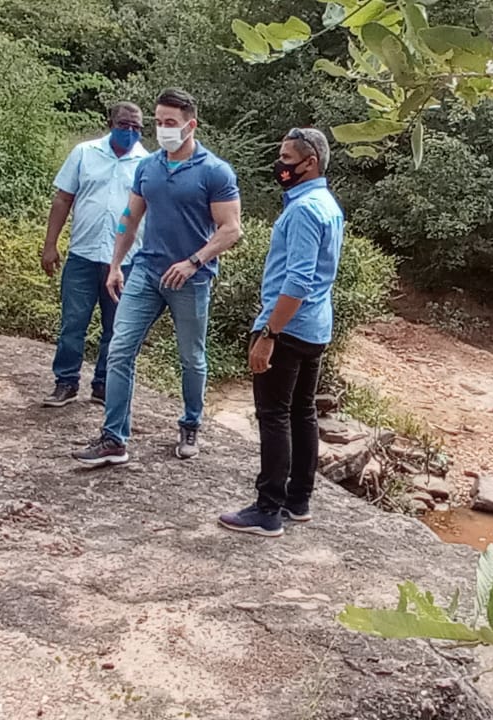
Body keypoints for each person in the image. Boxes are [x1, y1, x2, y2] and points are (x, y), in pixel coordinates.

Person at [72, 88, 242, 466]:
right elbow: (130, 218)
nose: (163, 130)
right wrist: (116, 265)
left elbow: (231, 229)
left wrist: (194, 262)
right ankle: (114, 438)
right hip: (146, 272)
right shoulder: (148, 166)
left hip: (190, 279)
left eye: (171, 123)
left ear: (190, 125)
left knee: (191, 358)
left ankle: (190, 423)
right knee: (119, 350)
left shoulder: (215, 171)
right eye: (159, 122)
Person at [218, 128, 344, 537]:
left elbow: (298, 279)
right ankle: (298, 499)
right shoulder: (327, 204)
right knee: (302, 411)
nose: (281, 165)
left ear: (311, 163)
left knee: (273, 415)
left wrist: (270, 332)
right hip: (316, 326)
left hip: (289, 326)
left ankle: (268, 509)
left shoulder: (305, 210)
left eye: (288, 158)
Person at [41, 102, 148, 407]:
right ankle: (66, 382)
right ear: (110, 123)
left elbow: (153, 212)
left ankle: (103, 384)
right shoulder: (84, 153)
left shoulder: (147, 163)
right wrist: (50, 244)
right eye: (124, 125)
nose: (130, 132)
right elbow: (63, 198)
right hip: (83, 253)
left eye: (137, 127)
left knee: (117, 328)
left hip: (126, 260)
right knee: (73, 322)